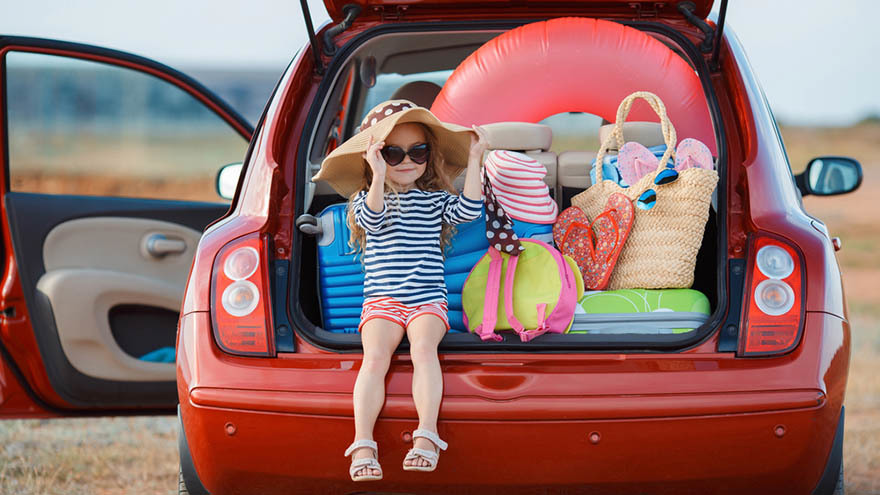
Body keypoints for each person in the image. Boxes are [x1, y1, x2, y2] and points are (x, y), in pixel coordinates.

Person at [313, 100, 487, 482]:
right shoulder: (364, 200)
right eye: (393, 153)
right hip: (383, 301)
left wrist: (475, 159)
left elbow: (470, 211)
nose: (406, 161)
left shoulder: (435, 200)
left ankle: (427, 435)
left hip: (427, 299)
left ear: (430, 155)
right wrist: (377, 175)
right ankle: (362, 442)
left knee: (425, 350)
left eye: (418, 151)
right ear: (376, 157)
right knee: (374, 358)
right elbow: (372, 221)